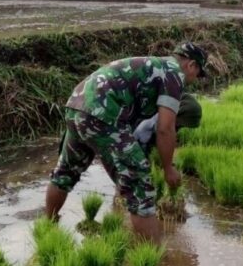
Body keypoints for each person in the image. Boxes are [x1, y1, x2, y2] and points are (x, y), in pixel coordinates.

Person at [45, 42, 208, 242]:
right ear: (191, 65)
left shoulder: (153, 65)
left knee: (65, 172)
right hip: (103, 112)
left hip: (77, 105)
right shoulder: (174, 75)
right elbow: (165, 128)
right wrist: (168, 168)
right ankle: (155, 261)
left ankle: (47, 227)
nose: (195, 80)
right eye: (198, 73)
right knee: (141, 187)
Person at [132, 92, 202, 155]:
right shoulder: (158, 115)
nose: (180, 125)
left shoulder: (173, 118)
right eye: (181, 123)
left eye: (182, 125)